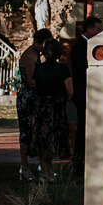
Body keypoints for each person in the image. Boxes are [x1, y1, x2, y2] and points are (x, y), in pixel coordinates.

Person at [30, 35, 73, 179]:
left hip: (42, 107)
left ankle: (45, 171)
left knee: (43, 139)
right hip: (56, 107)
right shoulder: (62, 69)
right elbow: (70, 90)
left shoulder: (38, 68)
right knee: (55, 139)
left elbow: (35, 86)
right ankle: (50, 172)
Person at [16, 28, 53, 181]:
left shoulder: (37, 54)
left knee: (37, 131)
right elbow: (31, 81)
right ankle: (24, 167)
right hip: (28, 98)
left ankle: (41, 165)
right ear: (39, 42)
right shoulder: (30, 56)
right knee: (26, 132)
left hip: (33, 97)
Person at [70, 16, 102, 168]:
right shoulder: (80, 46)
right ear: (89, 29)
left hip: (88, 94)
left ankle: (84, 158)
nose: (99, 32)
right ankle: (78, 160)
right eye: (97, 29)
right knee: (83, 128)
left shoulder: (88, 44)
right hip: (83, 94)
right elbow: (81, 72)